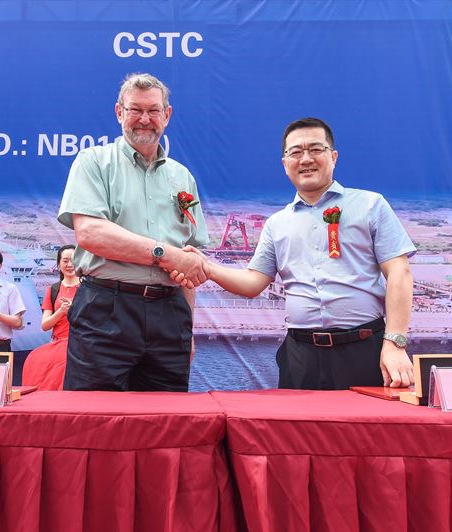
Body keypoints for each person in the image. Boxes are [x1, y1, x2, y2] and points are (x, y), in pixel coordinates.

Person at [173, 117, 416, 390]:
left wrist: (395, 343)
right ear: (285, 163)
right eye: (296, 152)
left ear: (333, 156)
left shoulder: (371, 205)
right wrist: (208, 268)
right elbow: (253, 282)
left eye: (316, 149)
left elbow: (399, 271)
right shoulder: (277, 224)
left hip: (364, 350)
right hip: (301, 357)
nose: (306, 159)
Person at [57, 72, 209, 392]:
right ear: (119, 112)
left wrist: (188, 329)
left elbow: (188, 260)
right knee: (94, 414)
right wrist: (164, 254)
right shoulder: (93, 162)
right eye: (135, 110)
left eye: (153, 110)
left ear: (167, 115)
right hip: (105, 309)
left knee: (166, 415)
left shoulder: (183, 177)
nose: (144, 119)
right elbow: (91, 233)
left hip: (170, 315)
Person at [22, 244, 79, 390]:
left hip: (81, 348)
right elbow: (45, 325)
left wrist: (74, 310)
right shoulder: (53, 290)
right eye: (65, 261)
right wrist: (61, 311)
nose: (70, 264)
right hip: (58, 349)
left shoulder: (87, 289)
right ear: (59, 265)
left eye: (73, 260)